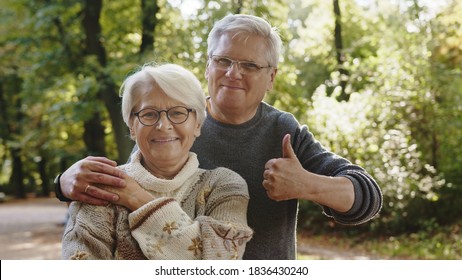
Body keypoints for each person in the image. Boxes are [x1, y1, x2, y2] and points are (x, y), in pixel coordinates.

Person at [55, 14, 382, 260]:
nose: (232, 73)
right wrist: (63, 184)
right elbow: (126, 194)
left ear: (271, 77)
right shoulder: (174, 125)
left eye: (250, 65)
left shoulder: (284, 131)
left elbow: (367, 197)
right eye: (223, 60)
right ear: (208, 66)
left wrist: (307, 184)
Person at [61, 63, 253, 260]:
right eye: (149, 114)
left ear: (197, 124)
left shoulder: (224, 186)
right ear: (132, 127)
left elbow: (222, 263)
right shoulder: (101, 188)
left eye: (178, 113)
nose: (163, 125)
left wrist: (137, 198)